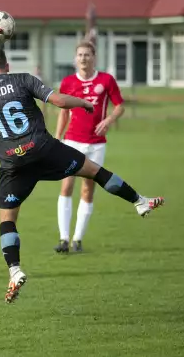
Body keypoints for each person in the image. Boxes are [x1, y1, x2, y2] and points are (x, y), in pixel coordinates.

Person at [0, 47, 164, 303]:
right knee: (94, 171)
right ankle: (139, 201)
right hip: (43, 150)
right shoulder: (23, 79)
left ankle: (14, 270)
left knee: (7, 219)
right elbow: (59, 101)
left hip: (13, 164)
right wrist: (83, 103)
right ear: (7, 66)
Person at [54, 41, 125, 254]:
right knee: (66, 187)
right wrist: (57, 138)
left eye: (87, 55)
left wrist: (108, 121)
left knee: (88, 189)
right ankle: (64, 239)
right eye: (80, 55)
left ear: (94, 57)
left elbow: (120, 106)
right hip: (72, 141)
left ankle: (77, 239)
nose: (83, 58)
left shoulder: (106, 80)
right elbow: (63, 112)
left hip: (95, 145)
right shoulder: (68, 82)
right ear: (75, 58)